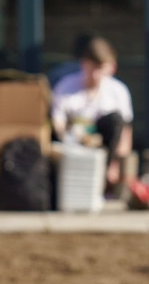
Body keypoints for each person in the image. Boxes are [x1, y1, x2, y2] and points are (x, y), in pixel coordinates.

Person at [51, 36, 135, 191]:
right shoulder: (65, 86)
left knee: (115, 120)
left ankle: (104, 177)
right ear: (84, 65)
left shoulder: (118, 91)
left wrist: (117, 163)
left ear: (112, 68)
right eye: (92, 68)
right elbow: (58, 124)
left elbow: (125, 132)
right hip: (72, 144)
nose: (96, 75)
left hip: (104, 149)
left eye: (101, 69)